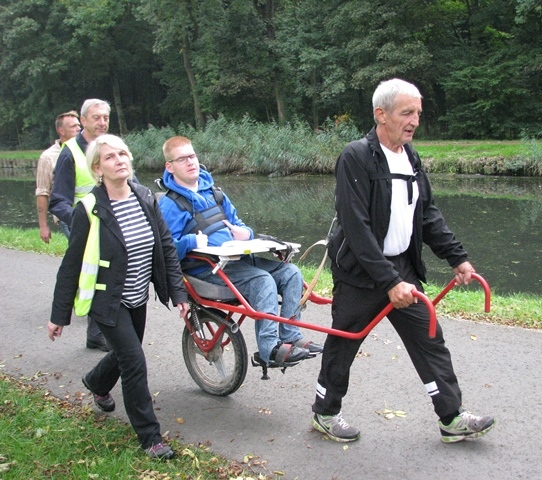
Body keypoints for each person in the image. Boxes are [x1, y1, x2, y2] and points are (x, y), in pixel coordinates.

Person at [311, 79, 495, 444]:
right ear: (381, 114)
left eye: (418, 114)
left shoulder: (410, 157)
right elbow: (357, 228)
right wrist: (388, 281)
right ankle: (326, 413)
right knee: (344, 344)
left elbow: (427, 215)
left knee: (429, 339)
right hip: (360, 274)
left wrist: (456, 257)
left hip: (403, 270)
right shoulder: (356, 156)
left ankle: (452, 418)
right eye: (406, 113)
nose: (414, 121)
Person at [47, 134, 189, 460]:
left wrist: (178, 292)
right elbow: (70, 267)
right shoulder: (90, 209)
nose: (119, 160)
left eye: (123, 154)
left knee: (127, 354)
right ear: (98, 167)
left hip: (137, 295)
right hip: (106, 300)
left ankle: (96, 382)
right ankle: (150, 437)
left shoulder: (145, 197)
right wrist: (59, 315)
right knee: (135, 361)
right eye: (110, 157)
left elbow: (165, 247)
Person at [158, 136, 323, 367]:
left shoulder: (215, 193)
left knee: (292, 273)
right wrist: (190, 241)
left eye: (192, 156)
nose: (190, 162)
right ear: (170, 166)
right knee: (263, 280)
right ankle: (269, 350)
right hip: (206, 269)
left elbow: (241, 224)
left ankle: (291, 337)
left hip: (237, 260)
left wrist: (246, 233)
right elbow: (166, 252)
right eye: (182, 159)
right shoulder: (169, 205)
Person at [49, 99, 111, 351]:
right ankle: (96, 333)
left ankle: (99, 331)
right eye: (96, 117)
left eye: (105, 117)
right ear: (83, 121)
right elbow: (57, 200)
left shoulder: (111, 147)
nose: (102, 122)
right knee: (93, 274)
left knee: (109, 274)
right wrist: (78, 218)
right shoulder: (70, 152)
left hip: (111, 225)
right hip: (86, 226)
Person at [35, 110, 81, 242]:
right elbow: (42, 192)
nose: (79, 129)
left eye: (79, 125)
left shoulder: (87, 149)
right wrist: (43, 226)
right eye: (73, 126)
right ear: (61, 131)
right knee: (82, 253)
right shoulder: (48, 157)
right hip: (66, 217)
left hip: (89, 212)